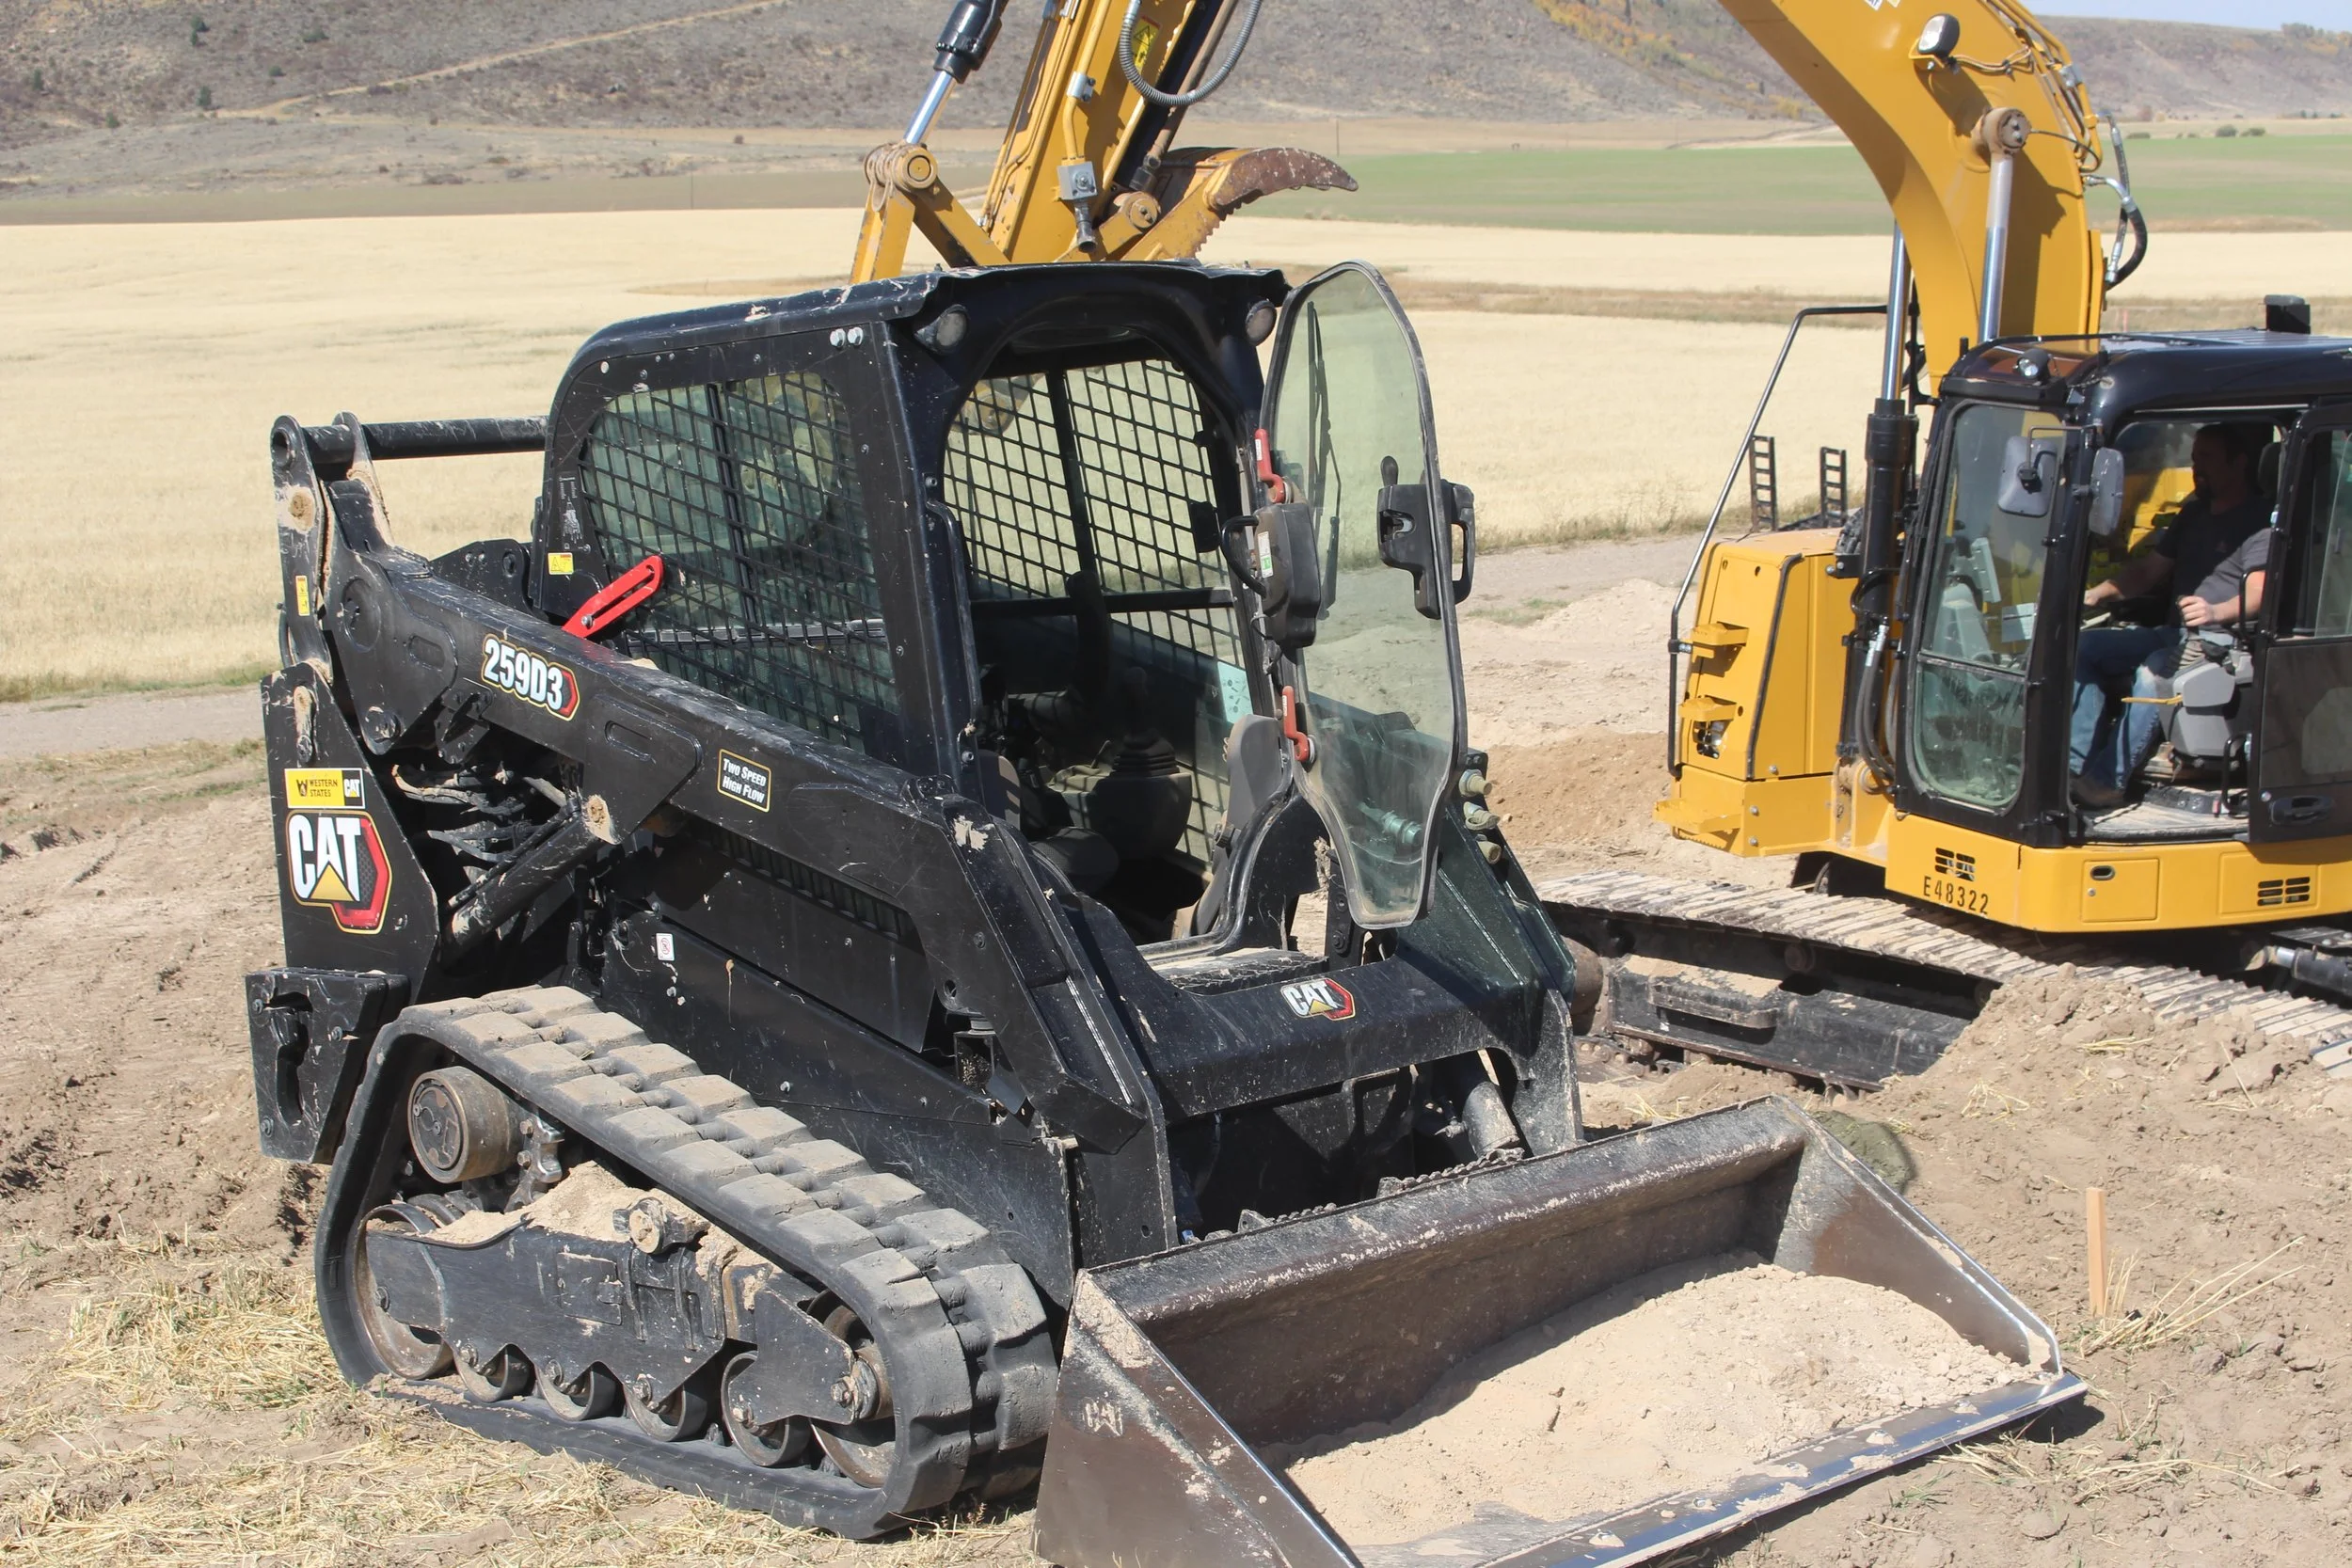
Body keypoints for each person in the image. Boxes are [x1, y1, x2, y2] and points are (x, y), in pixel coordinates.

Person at [2070, 421, 2271, 808]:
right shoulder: (2193, 514)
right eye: (2194, 458)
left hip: (2222, 641)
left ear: (2239, 463)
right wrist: (2097, 595)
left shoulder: (2258, 522)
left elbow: (2260, 593)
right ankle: (2075, 767)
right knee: (2085, 647)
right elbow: (2149, 572)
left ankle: (2109, 781)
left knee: (2153, 672)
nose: (2197, 468)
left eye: (2207, 459)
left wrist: (2216, 610)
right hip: (2175, 632)